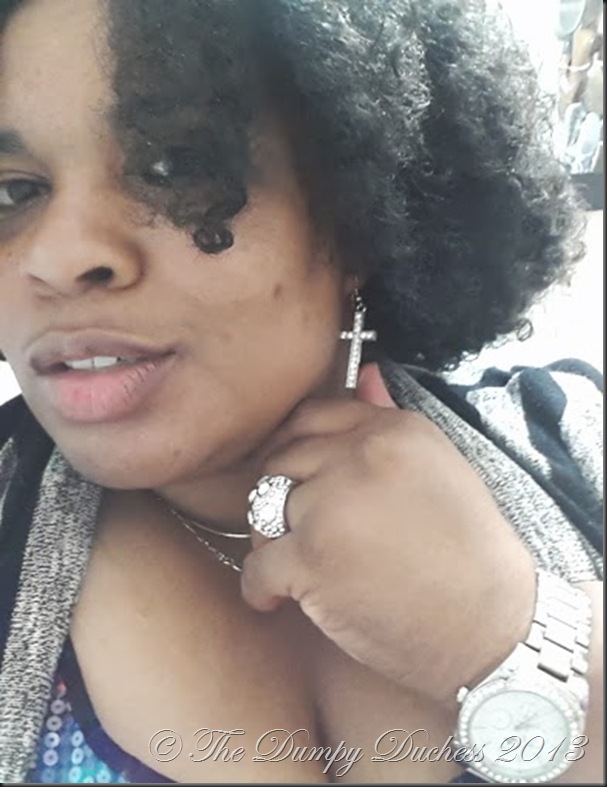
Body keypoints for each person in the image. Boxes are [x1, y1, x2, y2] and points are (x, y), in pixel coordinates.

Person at [0, 0, 602, 783]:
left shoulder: (578, 438)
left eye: (173, 167)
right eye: (13, 192)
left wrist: (513, 633)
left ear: (357, 213)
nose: (59, 256)